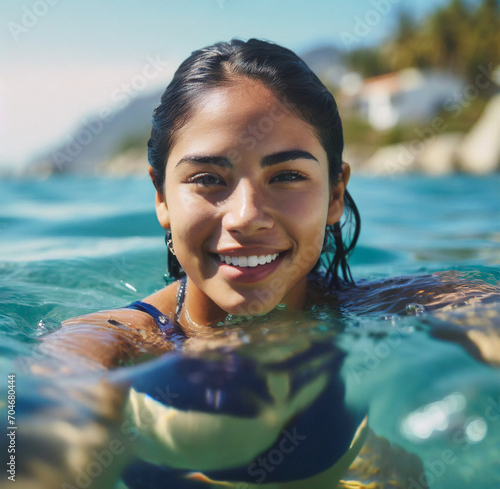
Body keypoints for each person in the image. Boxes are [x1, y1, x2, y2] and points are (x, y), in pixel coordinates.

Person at [33, 38, 498, 488]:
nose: (247, 216)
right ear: (162, 197)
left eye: (288, 176)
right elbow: (42, 422)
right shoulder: (116, 341)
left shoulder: (389, 305)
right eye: (208, 178)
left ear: (335, 194)